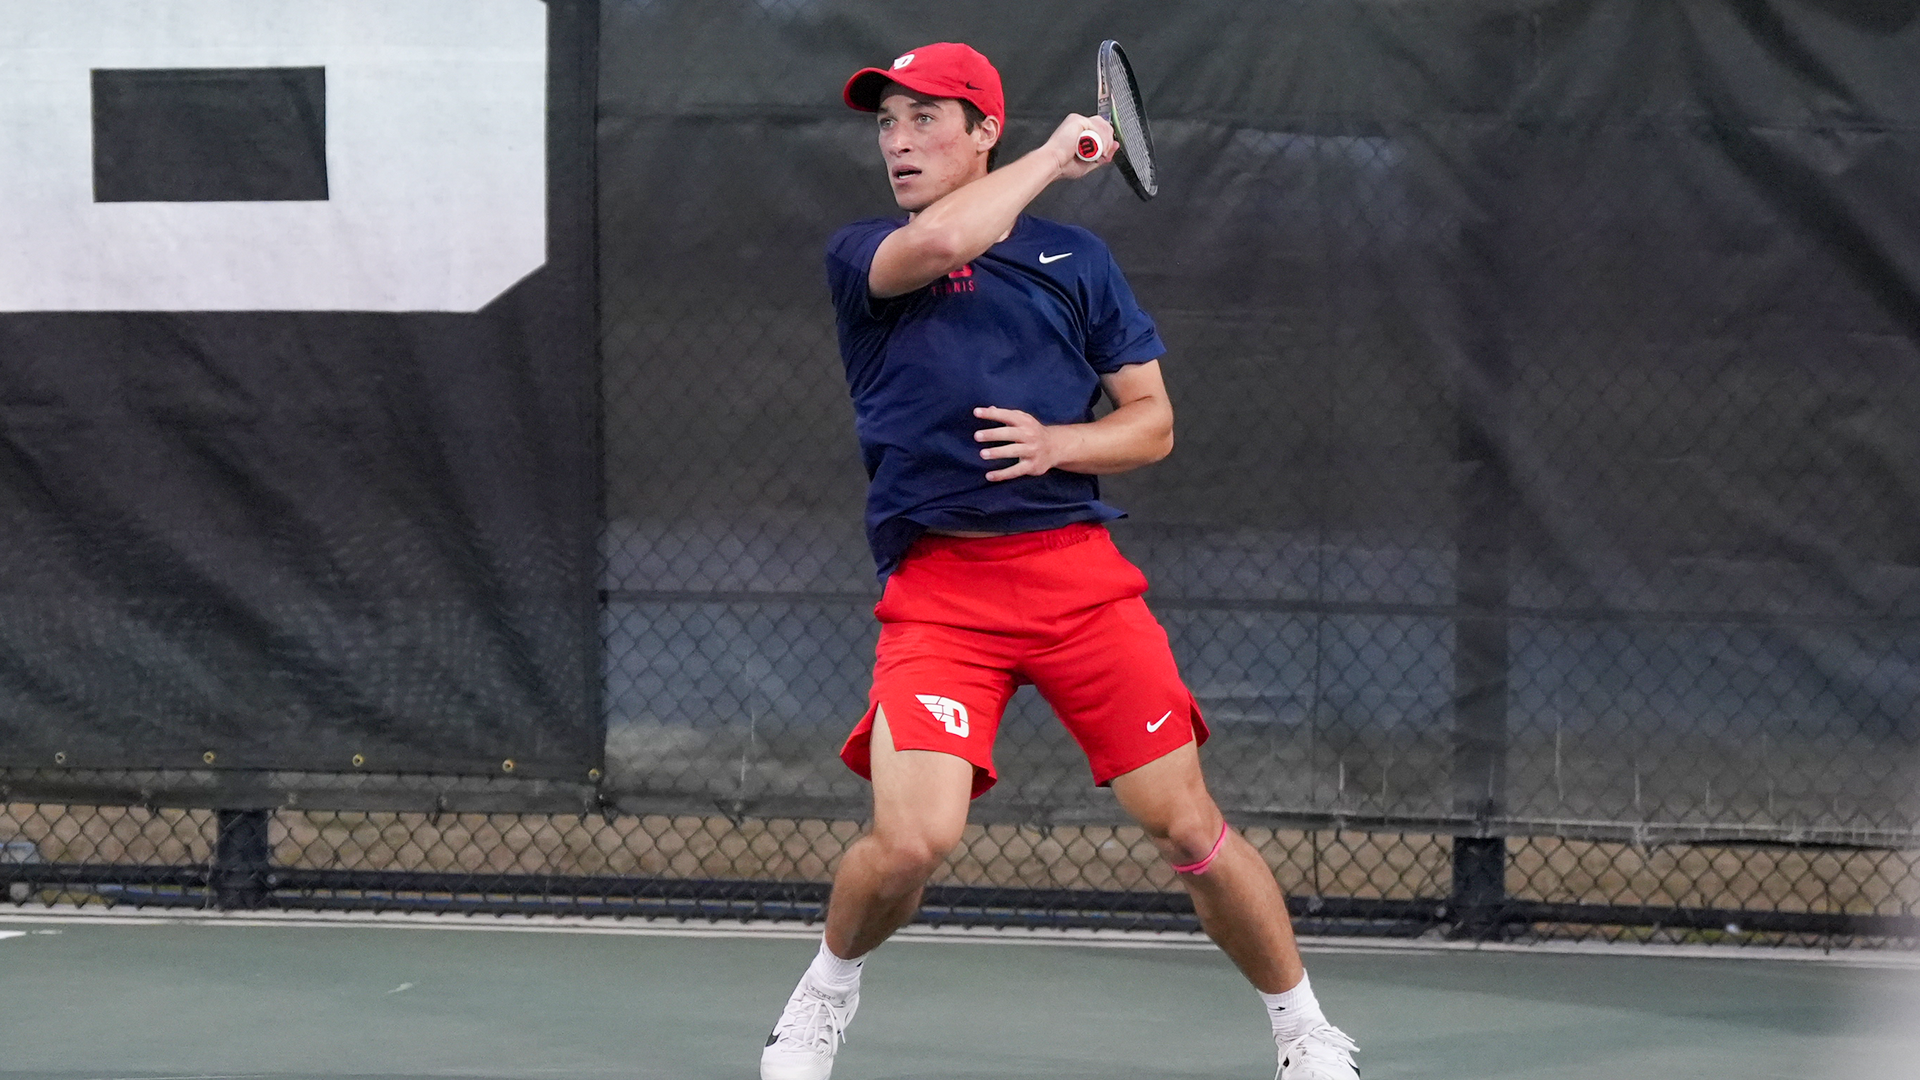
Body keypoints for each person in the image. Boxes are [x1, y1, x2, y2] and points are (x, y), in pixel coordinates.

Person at [760, 42, 1360, 1080]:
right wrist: (1048, 156)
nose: (899, 144)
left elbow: (1153, 423)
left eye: (926, 121)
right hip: (941, 592)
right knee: (911, 843)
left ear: (981, 129)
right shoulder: (867, 254)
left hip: (1077, 578)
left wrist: (1059, 445)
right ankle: (822, 998)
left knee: (1185, 822)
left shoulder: (1077, 265)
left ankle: (1305, 1031)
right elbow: (950, 233)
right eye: (887, 125)